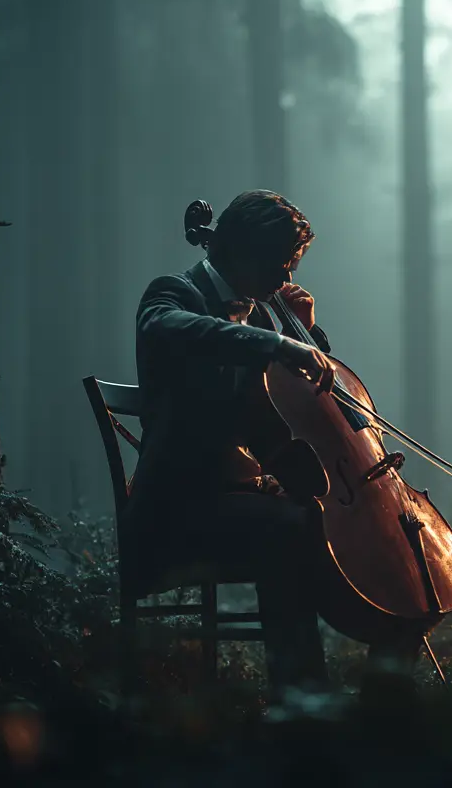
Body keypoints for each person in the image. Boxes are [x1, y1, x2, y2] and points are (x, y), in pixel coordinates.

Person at [123, 189, 422, 700]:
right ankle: (302, 699)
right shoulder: (173, 295)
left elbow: (293, 410)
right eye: (278, 266)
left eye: (291, 267)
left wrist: (302, 335)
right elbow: (166, 327)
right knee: (293, 527)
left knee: (347, 529)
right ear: (238, 252)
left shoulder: (262, 313)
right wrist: (278, 342)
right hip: (177, 510)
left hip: (241, 498)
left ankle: (381, 689)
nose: (286, 280)